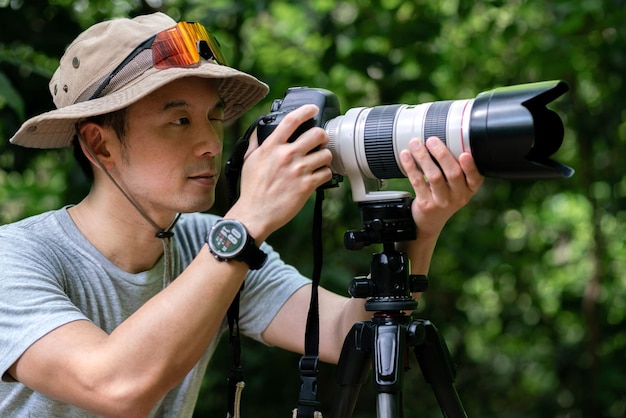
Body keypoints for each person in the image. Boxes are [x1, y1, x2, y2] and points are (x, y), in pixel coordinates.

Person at [0, 12, 483, 418]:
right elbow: (115, 386)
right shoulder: (15, 258)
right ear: (98, 143)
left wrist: (420, 227)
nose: (211, 144)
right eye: (179, 120)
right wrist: (247, 219)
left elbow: (346, 333)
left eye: (213, 117)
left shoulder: (208, 241)